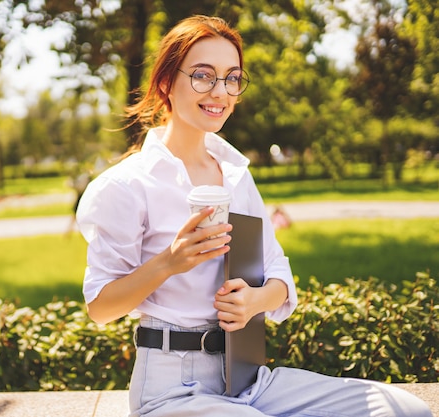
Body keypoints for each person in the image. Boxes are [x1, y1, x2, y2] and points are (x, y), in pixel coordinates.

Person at [76, 15, 431, 417]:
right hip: (170, 390)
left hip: (246, 379)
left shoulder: (236, 175)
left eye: (232, 78)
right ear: (165, 84)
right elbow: (101, 306)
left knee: (402, 410)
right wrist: (168, 263)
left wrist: (255, 300)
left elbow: (278, 272)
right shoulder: (126, 185)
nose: (220, 91)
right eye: (203, 76)